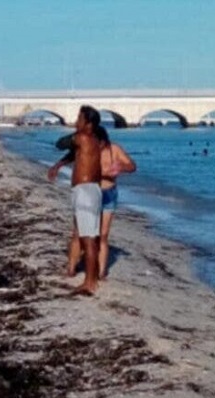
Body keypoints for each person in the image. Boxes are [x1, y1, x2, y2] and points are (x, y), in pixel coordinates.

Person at [50, 126, 136, 279]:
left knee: (103, 236)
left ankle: (101, 272)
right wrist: (57, 166)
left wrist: (121, 167)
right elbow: (69, 156)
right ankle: (71, 268)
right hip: (88, 194)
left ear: (103, 141)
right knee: (78, 233)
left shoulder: (114, 149)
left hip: (108, 193)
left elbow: (132, 166)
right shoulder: (85, 148)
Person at [47, 105, 102, 295]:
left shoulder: (82, 137)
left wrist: (76, 132)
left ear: (88, 123)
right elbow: (73, 154)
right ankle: (91, 279)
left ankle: (89, 282)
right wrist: (58, 165)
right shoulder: (95, 140)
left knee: (87, 239)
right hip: (93, 190)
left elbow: (60, 143)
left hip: (85, 191)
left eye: (79, 119)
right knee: (86, 235)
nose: (76, 122)